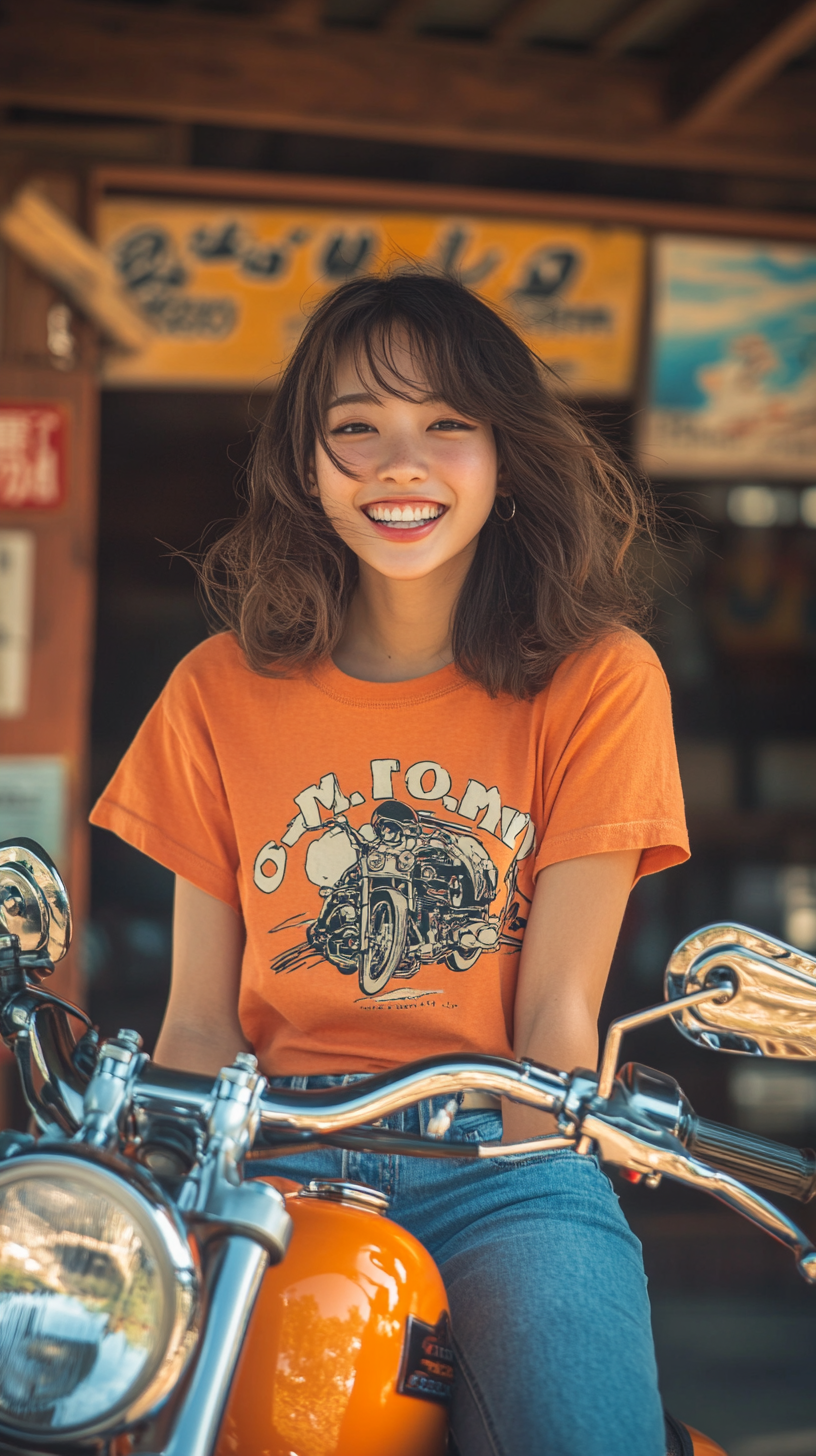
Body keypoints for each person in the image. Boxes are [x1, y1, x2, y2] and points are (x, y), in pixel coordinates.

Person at [91, 272, 689, 1456]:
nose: (397, 464)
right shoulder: (217, 689)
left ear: (504, 457)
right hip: (269, 1162)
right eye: (355, 428)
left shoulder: (601, 679)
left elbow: (558, 1015)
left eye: (445, 426)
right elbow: (199, 1028)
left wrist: (533, 1154)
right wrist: (148, 1181)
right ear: (308, 468)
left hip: (501, 1166)